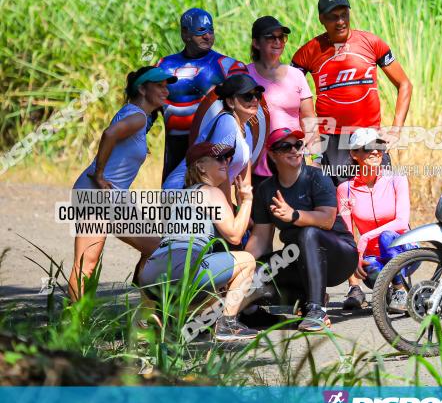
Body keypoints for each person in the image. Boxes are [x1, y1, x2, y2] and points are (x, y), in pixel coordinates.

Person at [68, 66, 175, 301]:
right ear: (142, 88)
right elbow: (109, 135)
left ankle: (141, 296)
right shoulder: (136, 116)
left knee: (156, 248)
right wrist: (99, 173)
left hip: (113, 197)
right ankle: (74, 325)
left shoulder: (137, 115)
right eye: (159, 85)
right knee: (87, 263)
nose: (165, 90)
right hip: (96, 193)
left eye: (167, 85)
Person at [138, 142, 259, 341]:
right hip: (184, 268)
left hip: (152, 274)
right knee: (246, 261)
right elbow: (235, 235)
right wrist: (246, 201)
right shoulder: (211, 192)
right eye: (219, 158)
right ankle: (227, 325)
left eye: (227, 158)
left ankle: (164, 321)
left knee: (214, 274)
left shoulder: (179, 197)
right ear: (201, 166)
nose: (226, 162)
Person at [291, 0, 413, 186]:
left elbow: (404, 84)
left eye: (344, 15)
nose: (340, 22)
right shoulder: (309, 51)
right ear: (322, 19)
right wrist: (308, 131)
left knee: (379, 196)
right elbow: (288, 91)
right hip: (331, 140)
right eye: (333, 17)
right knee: (340, 205)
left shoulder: (372, 43)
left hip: (369, 135)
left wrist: (396, 130)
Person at [245, 128, 358, 332]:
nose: (295, 150)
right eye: (286, 146)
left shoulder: (317, 177)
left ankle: (317, 311)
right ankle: (303, 298)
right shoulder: (265, 190)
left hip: (340, 257)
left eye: (298, 144)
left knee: (309, 232)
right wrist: (240, 269)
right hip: (300, 260)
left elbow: (327, 220)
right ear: (272, 154)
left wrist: (294, 215)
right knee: (258, 270)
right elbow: (260, 239)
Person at [156, 8, 248, 182]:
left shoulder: (227, 66)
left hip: (209, 149)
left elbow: (250, 101)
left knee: (211, 203)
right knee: (171, 201)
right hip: (174, 149)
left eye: (211, 30)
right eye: (200, 31)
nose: (207, 36)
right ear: (184, 33)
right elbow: (149, 107)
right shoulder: (163, 65)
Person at [336, 128, 418, 311]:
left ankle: (399, 291)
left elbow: (402, 222)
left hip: (405, 250)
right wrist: (354, 258)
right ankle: (390, 290)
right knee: (370, 268)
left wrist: (364, 238)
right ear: (354, 153)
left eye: (379, 146)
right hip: (374, 258)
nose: (375, 151)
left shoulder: (397, 179)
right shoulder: (345, 190)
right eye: (368, 147)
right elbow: (347, 234)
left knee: (387, 236)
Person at [162, 74, 264, 207]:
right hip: (180, 194)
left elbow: (244, 179)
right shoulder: (227, 122)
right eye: (248, 96)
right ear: (230, 102)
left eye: (258, 95)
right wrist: (229, 210)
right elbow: (218, 170)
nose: (255, 100)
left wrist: (243, 209)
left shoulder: (247, 131)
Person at [246, 15, 318, 186]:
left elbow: (309, 118)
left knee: (298, 212)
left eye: (281, 37)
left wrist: (316, 158)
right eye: (270, 37)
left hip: (294, 160)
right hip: (258, 166)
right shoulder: (244, 75)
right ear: (256, 43)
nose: (277, 42)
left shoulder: (297, 75)